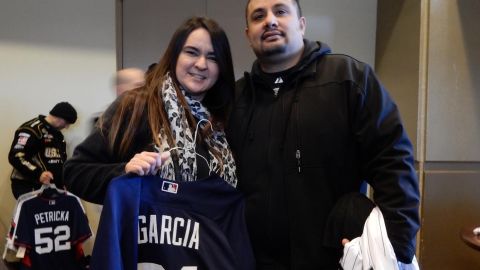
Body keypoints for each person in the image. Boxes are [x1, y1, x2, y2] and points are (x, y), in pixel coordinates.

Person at [227, 0, 420, 269]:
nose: (270, 20)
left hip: (334, 259)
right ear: (248, 35)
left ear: (301, 25)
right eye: (259, 16)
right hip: (251, 261)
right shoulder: (235, 101)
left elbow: (394, 163)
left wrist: (394, 249)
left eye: (280, 11)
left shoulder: (349, 80)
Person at [63, 16, 237, 205]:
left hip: (211, 231)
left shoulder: (222, 120)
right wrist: (125, 172)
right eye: (192, 52)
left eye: (212, 57)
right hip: (149, 232)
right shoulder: (137, 105)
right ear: (174, 55)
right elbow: (75, 172)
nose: (201, 64)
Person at [8, 102, 77, 199]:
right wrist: (38, 174)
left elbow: (61, 160)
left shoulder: (58, 135)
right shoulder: (31, 130)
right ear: (59, 117)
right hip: (28, 186)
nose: (66, 127)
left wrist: (62, 183)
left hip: (51, 188)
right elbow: (16, 156)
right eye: (66, 123)